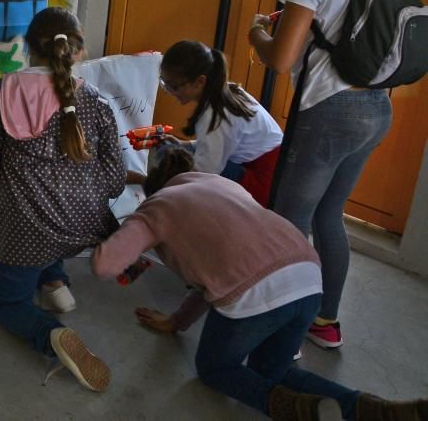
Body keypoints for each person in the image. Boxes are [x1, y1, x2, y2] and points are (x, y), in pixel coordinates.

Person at [92, 147, 426, 420]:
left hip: (256, 290)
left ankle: (299, 411)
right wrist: (178, 321)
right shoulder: (222, 185)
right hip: (308, 276)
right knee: (273, 370)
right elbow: (216, 276)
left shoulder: (157, 208)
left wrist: (97, 229)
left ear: (153, 191)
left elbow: (106, 264)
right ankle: (373, 409)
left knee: (215, 368)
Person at [247, 0, 393, 349]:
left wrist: (258, 32)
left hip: (329, 114)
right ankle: (324, 321)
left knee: (288, 220)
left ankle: (274, 327)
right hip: (375, 112)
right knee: (330, 216)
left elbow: (281, 60)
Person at [0, 6, 126, 392]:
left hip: (26, 231)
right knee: (53, 211)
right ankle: (55, 282)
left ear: (28, 48)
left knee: (7, 306)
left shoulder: (1, 92)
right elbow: (116, 181)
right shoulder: (96, 101)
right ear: (77, 51)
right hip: (82, 227)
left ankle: (51, 335)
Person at [151, 40, 283, 207]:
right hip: (273, 170)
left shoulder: (214, 113)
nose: (170, 92)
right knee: (176, 150)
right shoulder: (226, 90)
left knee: (168, 156)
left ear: (200, 81)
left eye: (174, 86)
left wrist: (162, 182)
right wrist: (185, 144)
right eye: (165, 84)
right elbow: (222, 142)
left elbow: (205, 172)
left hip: (261, 183)